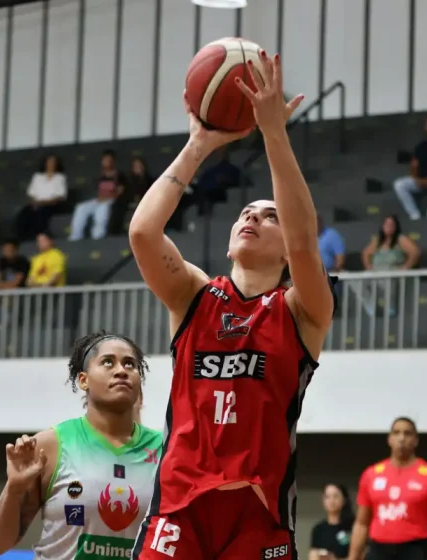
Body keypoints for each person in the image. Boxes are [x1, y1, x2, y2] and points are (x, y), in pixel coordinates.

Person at [128, 50, 334, 559]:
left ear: (288, 249)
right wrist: (198, 144)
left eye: (269, 216)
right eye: (245, 212)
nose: (252, 218)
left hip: (258, 515)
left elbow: (307, 241)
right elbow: (142, 231)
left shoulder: (302, 310)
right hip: (178, 508)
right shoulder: (194, 296)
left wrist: (274, 134)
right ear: (226, 242)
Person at [0, 331, 162, 560]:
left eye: (130, 364)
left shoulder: (167, 449)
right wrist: (14, 489)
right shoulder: (50, 445)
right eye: (108, 362)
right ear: (83, 380)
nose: (121, 371)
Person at [347, 417, 427, 560]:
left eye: (407, 433)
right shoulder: (371, 475)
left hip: (413, 550)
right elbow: (361, 523)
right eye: (396, 433)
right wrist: (352, 557)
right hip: (378, 550)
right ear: (389, 439)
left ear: (416, 440)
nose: (401, 438)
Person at [309, 483, 355, 560]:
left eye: (336, 496)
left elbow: (361, 554)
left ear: (344, 500)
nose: (331, 501)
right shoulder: (318, 529)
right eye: (327, 497)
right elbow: (313, 554)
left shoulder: (353, 527)